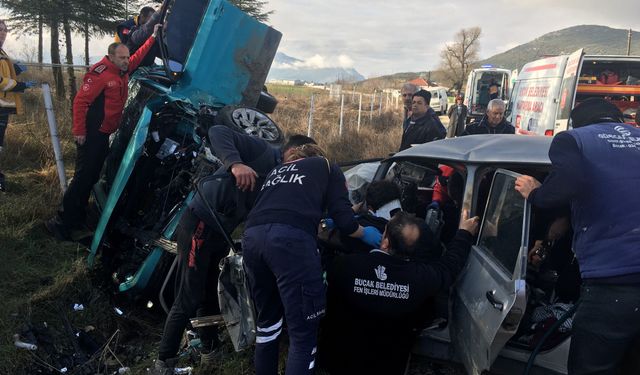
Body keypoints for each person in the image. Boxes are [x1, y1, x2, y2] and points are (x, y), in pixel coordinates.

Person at [149, 127, 328, 375]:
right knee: (188, 295)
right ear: (291, 152)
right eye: (300, 162)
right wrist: (235, 164)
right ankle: (163, 363)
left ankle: (208, 350)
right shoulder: (263, 151)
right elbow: (218, 131)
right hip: (200, 223)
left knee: (212, 291)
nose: (299, 169)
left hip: (222, 232)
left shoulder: (280, 177)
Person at [514, 98, 640, 374]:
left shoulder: (574, 139)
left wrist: (536, 193)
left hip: (614, 283)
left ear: (577, 122)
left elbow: (566, 185)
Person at [241, 143, 382, 375]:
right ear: (320, 155)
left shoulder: (280, 170)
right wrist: (364, 232)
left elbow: (295, 207)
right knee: (304, 335)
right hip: (290, 243)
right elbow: (345, 222)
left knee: (268, 325)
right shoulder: (327, 166)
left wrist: (346, 212)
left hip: (253, 238)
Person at [321, 211, 479, 375]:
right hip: (388, 366)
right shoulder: (420, 279)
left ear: (385, 242)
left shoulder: (343, 266)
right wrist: (464, 233)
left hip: (340, 363)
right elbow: (449, 266)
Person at [45, 25, 160, 240]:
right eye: (122, 58)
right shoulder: (100, 73)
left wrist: (153, 37)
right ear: (111, 57)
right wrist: (79, 131)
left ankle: (77, 217)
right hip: (91, 135)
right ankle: (60, 223)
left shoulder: (122, 70)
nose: (127, 60)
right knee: (82, 178)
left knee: (92, 176)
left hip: (104, 134)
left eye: (127, 57)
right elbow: (80, 102)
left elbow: (137, 57)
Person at [0, 19, 35, 192]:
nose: (3, 33)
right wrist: (21, 85)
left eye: (5, 30)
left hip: (3, 107)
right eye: (0, 30)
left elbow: (5, 71)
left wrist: (18, 69)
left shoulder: (2, 52)